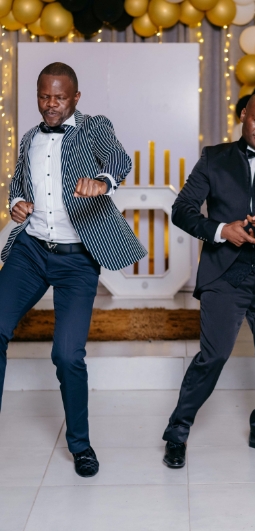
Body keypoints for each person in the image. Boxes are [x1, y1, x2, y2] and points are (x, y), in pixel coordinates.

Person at [0, 62, 146, 478]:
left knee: (66, 355)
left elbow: (119, 160)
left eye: (60, 97)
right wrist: (16, 204)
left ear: (75, 97)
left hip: (77, 259)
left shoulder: (94, 126)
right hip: (30, 251)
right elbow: (18, 184)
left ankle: (80, 446)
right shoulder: (29, 138)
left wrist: (102, 182)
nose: (51, 104)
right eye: (44, 96)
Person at [162, 91, 255, 468]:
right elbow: (182, 209)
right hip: (224, 273)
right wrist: (219, 230)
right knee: (212, 356)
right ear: (244, 115)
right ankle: (177, 432)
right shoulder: (214, 158)